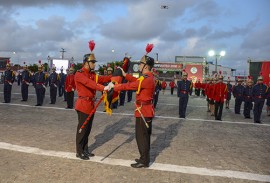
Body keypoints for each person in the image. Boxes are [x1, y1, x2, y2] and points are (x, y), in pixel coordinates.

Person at [112, 52, 155, 168]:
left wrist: (114, 87)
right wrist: (125, 75)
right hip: (144, 110)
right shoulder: (148, 77)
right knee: (143, 136)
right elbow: (135, 81)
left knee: (141, 137)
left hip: (143, 111)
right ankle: (144, 157)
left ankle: (144, 160)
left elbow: (130, 86)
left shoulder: (146, 79)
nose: (139, 65)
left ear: (145, 66)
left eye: (141, 64)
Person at [74, 50, 111, 160]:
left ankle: (85, 149)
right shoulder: (79, 73)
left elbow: (102, 79)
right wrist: (103, 88)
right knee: (82, 129)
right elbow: (89, 83)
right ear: (86, 63)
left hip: (90, 104)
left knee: (88, 130)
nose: (94, 64)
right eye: (93, 62)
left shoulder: (92, 74)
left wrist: (114, 76)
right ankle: (79, 151)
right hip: (83, 104)